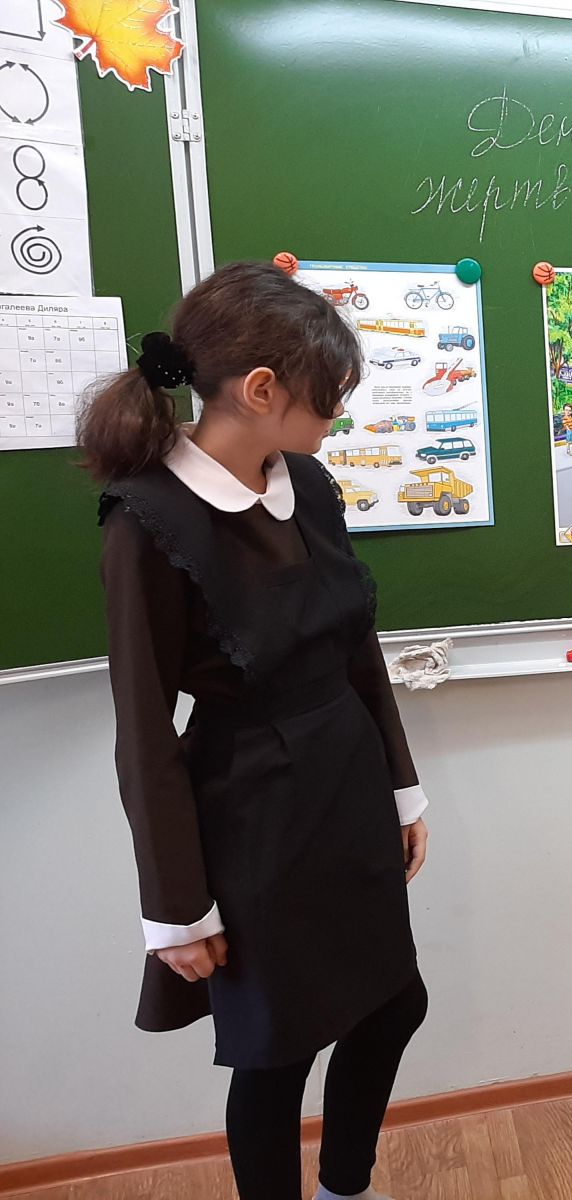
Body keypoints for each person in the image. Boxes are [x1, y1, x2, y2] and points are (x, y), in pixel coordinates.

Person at [79, 260, 431, 1200]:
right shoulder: (147, 519)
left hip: (347, 784)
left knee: (394, 1004)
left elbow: (356, 646)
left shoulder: (307, 483)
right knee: (277, 1054)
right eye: (330, 398)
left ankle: (346, 1187)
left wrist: (402, 789)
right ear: (263, 389)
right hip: (253, 815)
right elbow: (143, 730)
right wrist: (175, 908)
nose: (338, 418)